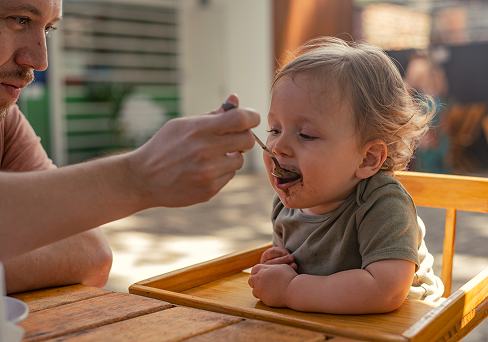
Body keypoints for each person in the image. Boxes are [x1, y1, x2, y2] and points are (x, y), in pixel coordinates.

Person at [0, 0, 260, 294]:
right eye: (19, 20)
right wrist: (138, 176)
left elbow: (90, 253)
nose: (39, 60)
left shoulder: (5, 120)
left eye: (47, 29)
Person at [247, 37, 443, 314]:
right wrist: (278, 262)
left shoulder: (383, 205)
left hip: (406, 326)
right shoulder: (286, 205)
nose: (277, 147)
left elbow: (385, 291)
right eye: (275, 129)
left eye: (305, 135)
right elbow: (301, 269)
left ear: (368, 158)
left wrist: (290, 290)